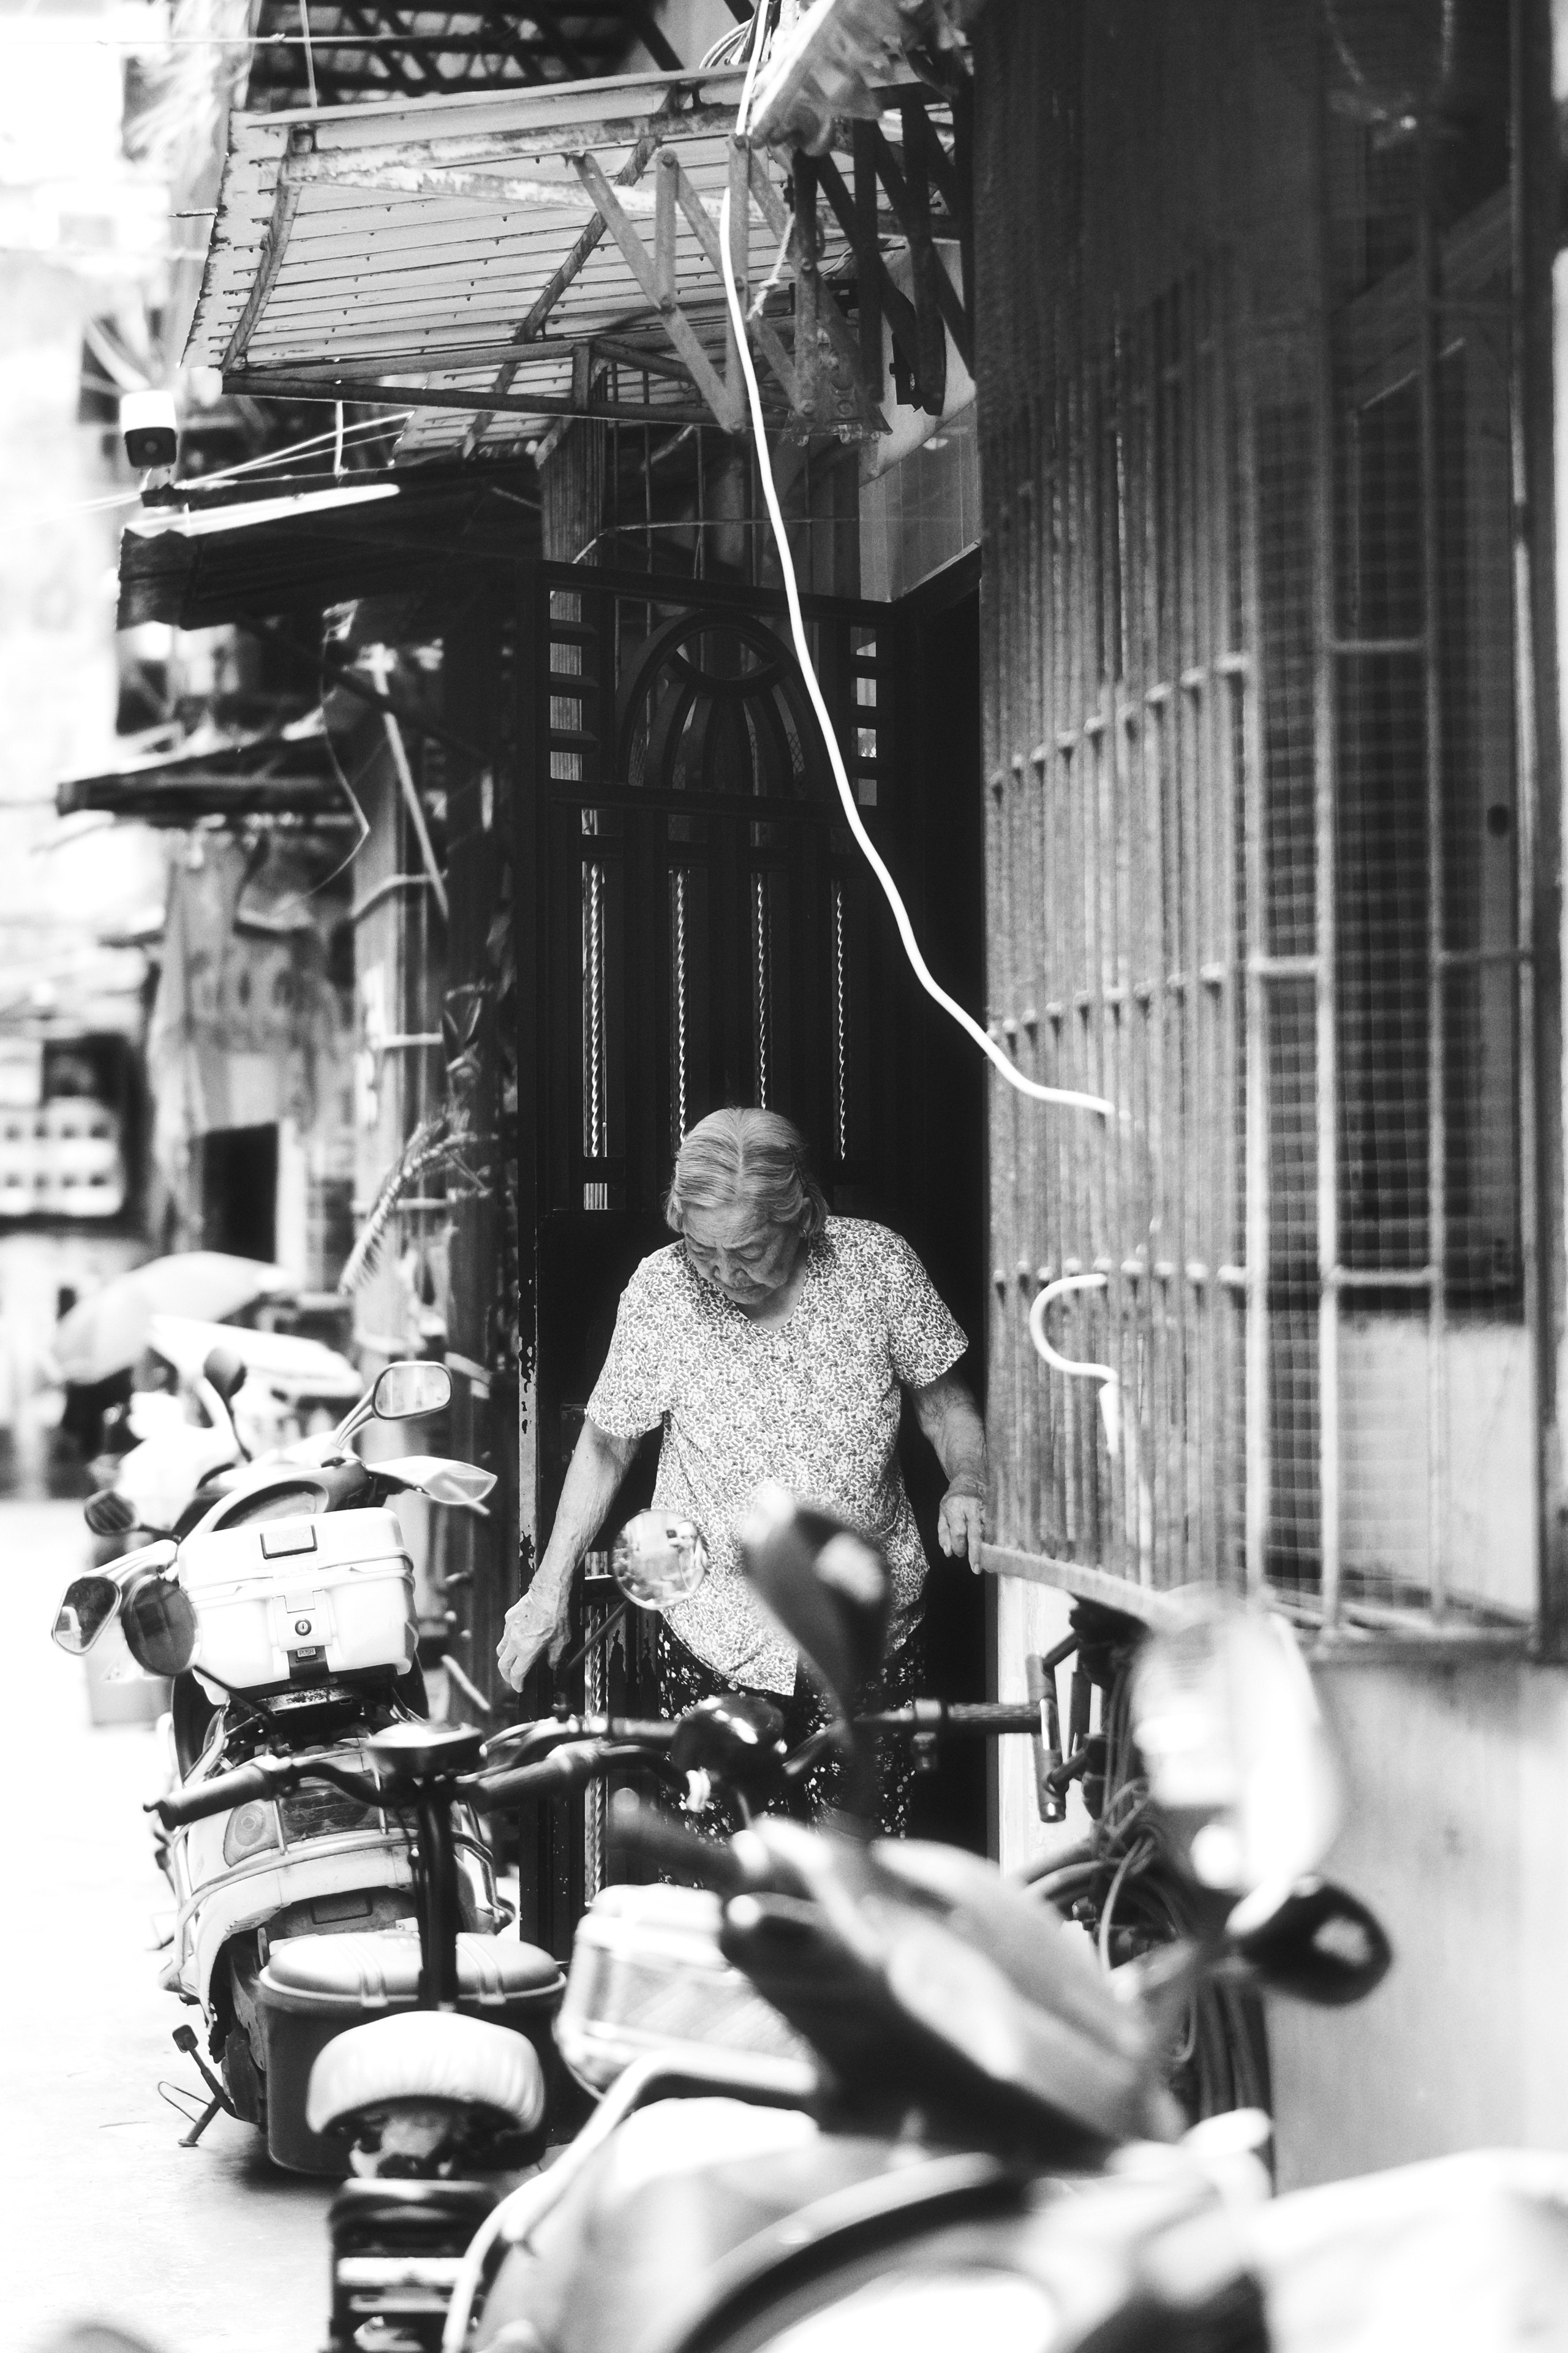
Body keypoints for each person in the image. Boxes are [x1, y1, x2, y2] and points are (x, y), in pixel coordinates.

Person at [496, 1106, 987, 1830]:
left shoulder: (877, 1265)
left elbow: (944, 1406)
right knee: (723, 1876)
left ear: (803, 1217)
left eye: (751, 1249)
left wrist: (969, 1479)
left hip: (863, 1634)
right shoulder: (662, 1291)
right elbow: (607, 1443)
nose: (726, 1272)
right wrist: (548, 1590)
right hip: (713, 1631)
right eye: (703, 1250)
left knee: (856, 1876)